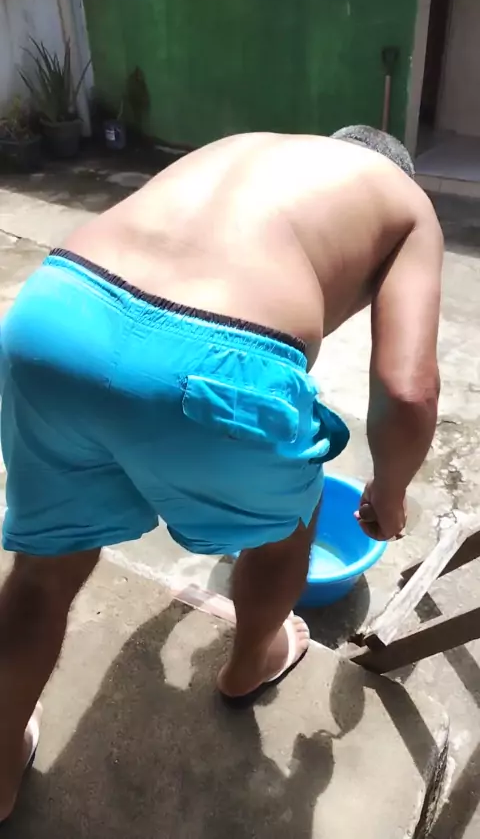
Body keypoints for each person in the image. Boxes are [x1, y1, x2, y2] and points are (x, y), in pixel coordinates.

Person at [0, 126, 442, 820]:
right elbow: (408, 391)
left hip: (56, 315)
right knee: (286, 531)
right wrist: (390, 489)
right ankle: (250, 663)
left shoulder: (253, 148)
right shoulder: (406, 202)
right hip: (218, 362)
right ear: (398, 171)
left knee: (41, 573)